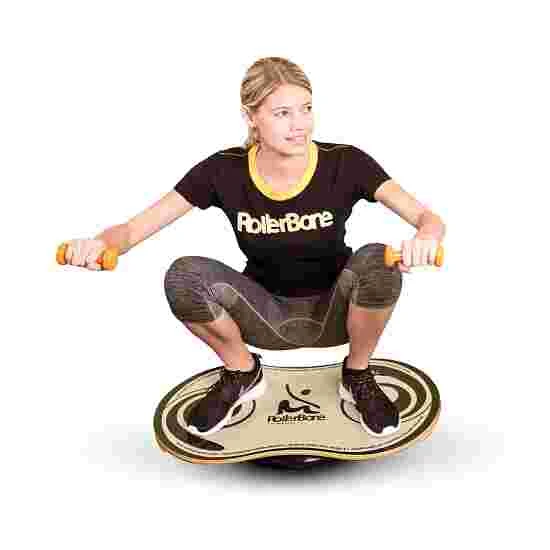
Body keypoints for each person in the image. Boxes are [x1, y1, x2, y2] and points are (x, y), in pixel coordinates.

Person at [61, 56, 446, 439]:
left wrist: (426, 238)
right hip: (264, 317)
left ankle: (357, 373)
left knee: (379, 259)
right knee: (183, 275)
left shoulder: (346, 162)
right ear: (251, 117)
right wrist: (99, 245)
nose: (300, 124)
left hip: (337, 313)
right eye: (282, 113)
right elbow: (132, 230)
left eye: (306, 109)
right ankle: (242, 371)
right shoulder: (222, 170)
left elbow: (427, 218)